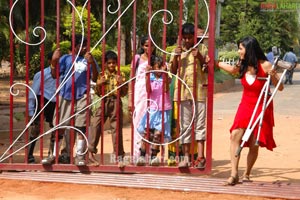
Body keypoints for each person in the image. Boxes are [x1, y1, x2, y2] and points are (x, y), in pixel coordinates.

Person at [216, 36, 284, 185]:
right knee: (235, 135)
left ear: (249, 49)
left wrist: (273, 76)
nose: (238, 51)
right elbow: (232, 70)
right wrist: (216, 63)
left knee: (254, 143)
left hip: (261, 106)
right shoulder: (243, 65)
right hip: (245, 105)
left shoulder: (266, 65)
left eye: (240, 48)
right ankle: (234, 174)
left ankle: (247, 173)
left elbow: (280, 87)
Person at [42, 34, 98, 166]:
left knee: (81, 126)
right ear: (75, 46)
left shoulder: (88, 59)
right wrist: (54, 61)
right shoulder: (66, 59)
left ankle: (79, 155)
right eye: (82, 45)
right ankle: (53, 154)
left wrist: (92, 63)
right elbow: (55, 75)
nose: (85, 48)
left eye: (86, 45)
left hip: (82, 95)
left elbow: (94, 78)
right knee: (59, 126)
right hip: (65, 95)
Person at [169, 22, 208, 168]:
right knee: (185, 125)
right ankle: (185, 157)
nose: (186, 40)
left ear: (194, 37)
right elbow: (172, 72)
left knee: (200, 124)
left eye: (189, 37)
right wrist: (176, 58)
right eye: (184, 37)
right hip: (182, 92)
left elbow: (208, 69)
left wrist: (200, 57)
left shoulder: (202, 48)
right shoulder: (176, 51)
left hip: (199, 91)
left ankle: (201, 157)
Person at [88, 50, 127, 167]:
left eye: (113, 63)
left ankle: (119, 156)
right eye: (109, 63)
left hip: (115, 101)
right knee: (96, 125)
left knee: (116, 129)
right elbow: (98, 93)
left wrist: (122, 84)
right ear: (105, 63)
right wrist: (99, 84)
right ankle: (90, 153)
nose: (111, 65)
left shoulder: (120, 75)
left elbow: (124, 93)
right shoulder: (101, 75)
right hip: (104, 101)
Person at [136, 55, 172, 166]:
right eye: (157, 67)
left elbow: (166, 89)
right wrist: (147, 75)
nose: (159, 70)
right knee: (147, 133)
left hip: (163, 109)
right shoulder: (150, 77)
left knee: (157, 134)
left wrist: (165, 74)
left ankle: (153, 157)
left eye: (161, 67)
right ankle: (142, 155)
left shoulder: (166, 77)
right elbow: (148, 90)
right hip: (152, 109)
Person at [128, 36, 156, 160]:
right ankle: (137, 154)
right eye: (146, 45)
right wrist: (130, 99)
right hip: (140, 94)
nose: (148, 48)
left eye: (151, 45)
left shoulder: (157, 60)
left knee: (152, 124)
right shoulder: (137, 59)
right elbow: (131, 79)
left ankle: (150, 155)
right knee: (139, 123)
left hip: (154, 94)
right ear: (142, 46)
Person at [27, 52, 56, 164]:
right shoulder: (42, 74)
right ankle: (29, 154)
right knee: (36, 128)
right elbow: (33, 92)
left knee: (55, 127)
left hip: (54, 102)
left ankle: (51, 154)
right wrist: (31, 109)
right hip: (42, 101)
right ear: (50, 61)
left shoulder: (62, 74)